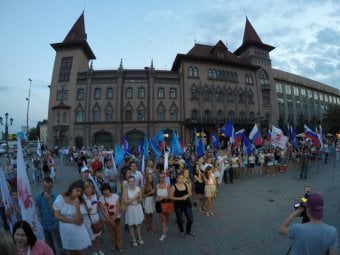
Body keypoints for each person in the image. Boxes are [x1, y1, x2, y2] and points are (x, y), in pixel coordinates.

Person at [53, 181, 91, 255]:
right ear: (72, 188)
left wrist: (77, 207)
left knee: (80, 252)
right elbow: (57, 215)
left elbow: (79, 221)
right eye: (77, 190)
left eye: (80, 191)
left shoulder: (80, 201)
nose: (79, 193)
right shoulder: (60, 198)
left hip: (78, 232)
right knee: (71, 252)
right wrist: (72, 221)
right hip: (66, 231)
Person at [35, 177, 65, 255]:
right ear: (42, 185)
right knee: (49, 245)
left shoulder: (56, 196)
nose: (47, 189)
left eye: (49, 187)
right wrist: (38, 216)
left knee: (59, 245)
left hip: (55, 225)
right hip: (44, 225)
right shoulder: (38, 197)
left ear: (52, 186)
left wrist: (49, 201)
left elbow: (55, 213)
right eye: (45, 187)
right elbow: (38, 211)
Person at [100, 183, 124, 253]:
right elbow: (103, 211)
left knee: (118, 233)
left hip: (117, 218)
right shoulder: (101, 198)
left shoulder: (115, 196)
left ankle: (120, 246)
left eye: (107, 190)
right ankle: (113, 245)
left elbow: (118, 208)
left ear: (109, 189)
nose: (106, 192)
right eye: (104, 190)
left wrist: (114, 218)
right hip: (107, 219)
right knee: (111, 233)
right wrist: (110, 220)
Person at [169, 174, 195, 238]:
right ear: (177, 179)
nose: (182, 179)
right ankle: (182, 231)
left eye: (182, 178)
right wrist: (180, 198)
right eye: (180, 178)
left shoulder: (186, 184)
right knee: (180, 219)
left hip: (187, 204)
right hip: (178, 205)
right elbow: (170, 197)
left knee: (190, 219)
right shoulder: (173, 187)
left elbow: (190, 193)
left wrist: (186, 196)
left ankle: (188, 231)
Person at [83, 181, 105, 255]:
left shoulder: (94, 195)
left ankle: (99, 249)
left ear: (92, 189)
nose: (89, 190)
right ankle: (94, 251)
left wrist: (99, 206)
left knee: (98, 235)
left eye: (90, 188)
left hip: (96, 217)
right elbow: (79, 210)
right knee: (92, 237)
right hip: (88, 219)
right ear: (84, 189)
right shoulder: (82, 198)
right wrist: (85, 211)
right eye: (87, 188)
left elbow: (98, 204)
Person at [123, 176, 144, 247]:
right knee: (131, 225)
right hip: (130, 209)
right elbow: (125, 202)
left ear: (135, 181)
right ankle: (133, 239)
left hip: (137, 208)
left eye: (133, 181)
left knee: (138, 224)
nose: (132, 183)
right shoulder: (126, 190)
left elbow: (140, 200)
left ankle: (139, 237)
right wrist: (135, 197)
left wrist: (139, 198)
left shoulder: (138, 189)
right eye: (130, 181)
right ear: (128, 183)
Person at [155, 172, 171, 242]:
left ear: (164, 178)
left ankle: (166, 227)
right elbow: (156, 194)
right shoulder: (157, 185)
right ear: (158, 178)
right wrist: (157, 198)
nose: (161, 179)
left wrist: (162, 197)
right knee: (163, 219)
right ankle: (164, 234)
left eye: (162, 177)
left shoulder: (168, 185)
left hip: (166, 203)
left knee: (167, 217)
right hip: (158, 204)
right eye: (160, 177)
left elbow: (169, 196)